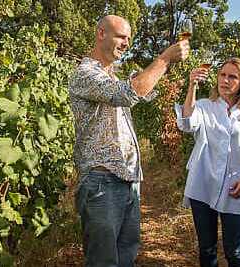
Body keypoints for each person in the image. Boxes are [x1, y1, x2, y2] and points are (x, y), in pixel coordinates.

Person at [69, 15, 189, 267]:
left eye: (129, 39)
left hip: (128, 179)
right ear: (101, 33)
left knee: (126, 256)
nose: (126, 43)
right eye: (121, 36)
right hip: (101, 181)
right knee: (104, 261)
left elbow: (144, 93)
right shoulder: (85, 73)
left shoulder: (112, 76)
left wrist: (163, 68)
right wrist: (164, 59)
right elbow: (126, 94)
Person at [174, 57, 240, 267]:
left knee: (235, 250)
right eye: (222, 75)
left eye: (232, 76)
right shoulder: (206, 106)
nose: (225, 80)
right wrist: (192, 86)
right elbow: (187, 123)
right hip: (203, 185)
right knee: (207, 248)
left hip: (235, 188)